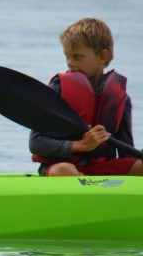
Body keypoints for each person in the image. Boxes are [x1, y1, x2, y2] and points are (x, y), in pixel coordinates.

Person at [29, 17, 140, 177]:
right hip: (60, 167)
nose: (70, 63)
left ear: (102, 56)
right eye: (67, 56)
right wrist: (81, 145)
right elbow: (36, 143)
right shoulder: (58, 89)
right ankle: (83, 185)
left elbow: (126, 153)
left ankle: (91, 185)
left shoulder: (120, 98)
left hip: (101, 169)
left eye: (77, 57)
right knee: (65, 170)